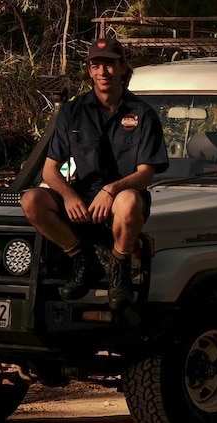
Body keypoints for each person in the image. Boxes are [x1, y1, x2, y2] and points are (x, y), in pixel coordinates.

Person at [20, 37, 169, 311]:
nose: (103, 72)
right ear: (89, 70)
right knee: (31, 201)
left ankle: (119, 266)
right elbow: (50, 170)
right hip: (81, 199)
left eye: (110, 64)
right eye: (96, 65)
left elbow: (146, 174)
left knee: (129, 201)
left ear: (123, 67)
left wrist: (111, 190)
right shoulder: (72, 112)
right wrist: (67, 196)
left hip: (122, 201)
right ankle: (83, 260)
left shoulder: (143, 115)